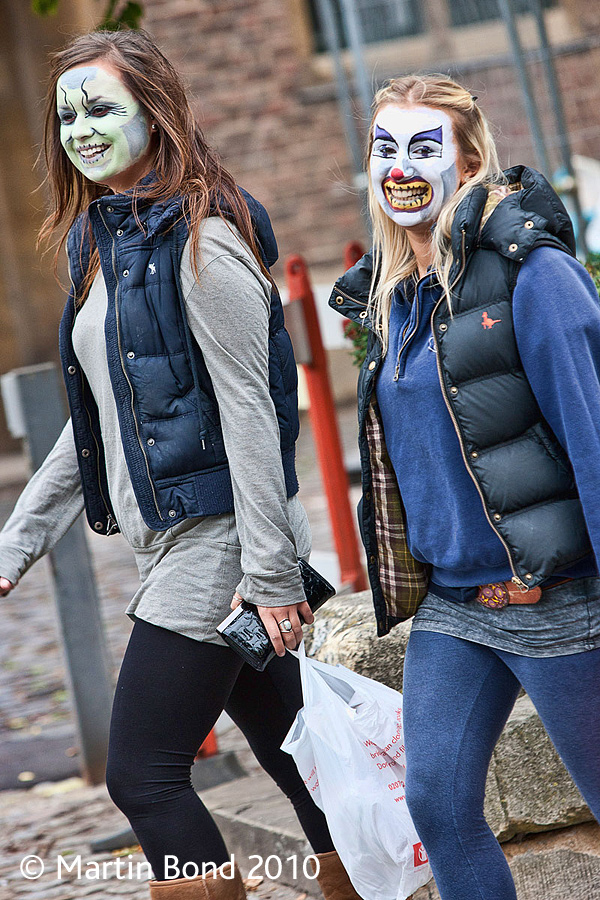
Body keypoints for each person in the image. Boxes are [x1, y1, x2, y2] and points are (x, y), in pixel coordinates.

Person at [0, 29, 359, 900]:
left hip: (219, 542)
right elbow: (93, 423)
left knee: (145, 775)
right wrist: (16, 542)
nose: (82, 130)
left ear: (156, 113)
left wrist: (269, 575)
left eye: (101, 108)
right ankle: (377, 880)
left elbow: (256, 414)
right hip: (169, 542)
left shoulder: (204, 242)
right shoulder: (100, 244)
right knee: (301, 759)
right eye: (67, 117)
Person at [329, 74, 600, 899]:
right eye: (384, 148)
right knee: (437, 805)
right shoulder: (392, 299)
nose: (400, 167)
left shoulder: (533, 275)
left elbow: (594, 439)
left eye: (424, 147)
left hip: (554, 598)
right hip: (455, 605)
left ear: (471, 162)